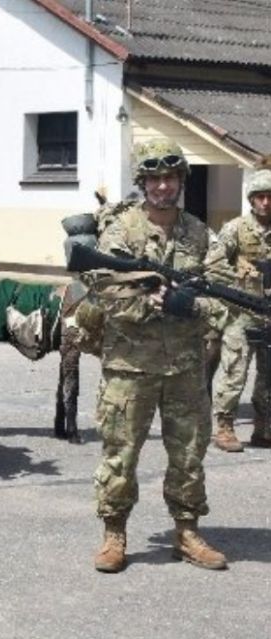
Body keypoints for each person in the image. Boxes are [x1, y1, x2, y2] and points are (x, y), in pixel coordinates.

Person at [91, 138, 227, 573]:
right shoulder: (121, 232)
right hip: (129, 367)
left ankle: (186, 532)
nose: (164, 186)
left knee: (189, 453)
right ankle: (114, 534)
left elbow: (224, 300)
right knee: (121, 453)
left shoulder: (200, 234)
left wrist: (191, 305)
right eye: (155, 178)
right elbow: (104, 291)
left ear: (181, 181)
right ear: (143, 182)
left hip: (186, 367)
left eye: (171, 177)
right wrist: (150, 304)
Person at [205, 168, 271, 451]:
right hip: (241, 313)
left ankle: (264, 428)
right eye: (260, 197)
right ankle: (224, 427)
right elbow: (213, 264)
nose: (266, 203)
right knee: (234, 370)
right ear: (251, 200)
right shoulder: (235, 228)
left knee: (268, 376)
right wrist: (241, 280)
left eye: (270, 197)